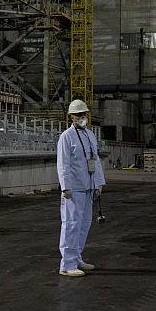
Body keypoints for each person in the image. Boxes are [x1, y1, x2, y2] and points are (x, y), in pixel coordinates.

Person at [57, 99, 105, 277]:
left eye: (84, 114)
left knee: (84, 223)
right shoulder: (66, 137)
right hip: (74, 189)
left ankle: (76, 258)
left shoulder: (90, 135)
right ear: (71, 117)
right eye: (78, 115)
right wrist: (66, 187)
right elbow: (63, 165)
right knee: (71, 224)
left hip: (88, 186)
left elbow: (96, 160)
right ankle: (67, 264)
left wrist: (99, 183)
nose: (82, 117)